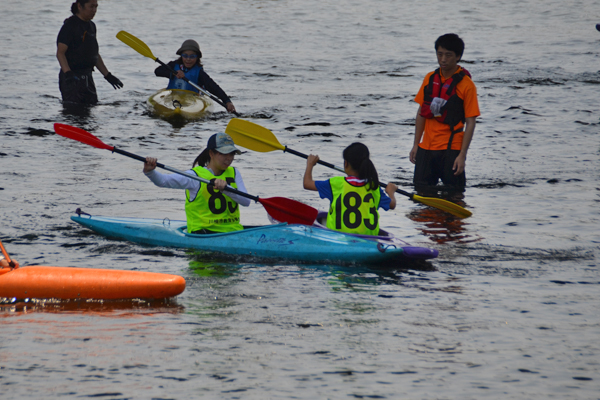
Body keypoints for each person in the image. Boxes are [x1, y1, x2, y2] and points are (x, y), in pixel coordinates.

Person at [409, 33, 480, 191]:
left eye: (448, 55)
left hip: (451, 150)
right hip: (426, 149)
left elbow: (470, 122)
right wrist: (416, 145)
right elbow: (421, 112)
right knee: (421, 198)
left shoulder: (466, 85)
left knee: (455, 196)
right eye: (439, 54)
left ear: (458, 57)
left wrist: (462, 155)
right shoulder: (429, 78)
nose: (443, 59)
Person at [143, 133, 250, 234]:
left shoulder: (234, 172)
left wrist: (226, 189)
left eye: (231, 153)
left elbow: (246, 201)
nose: (229, 158)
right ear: (211, 153)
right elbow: (164, 181)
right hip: (203, 233)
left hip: (234, 231)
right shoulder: (195, 176)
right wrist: (150, 172)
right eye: (223, 153)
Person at [303, 142, 397, 236]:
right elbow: (392, 204)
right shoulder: (374, 187)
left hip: (338, 239)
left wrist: (310, 164)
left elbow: (307, 183)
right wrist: (391, 192)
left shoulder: (336, 183)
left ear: (346, 163)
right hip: (369, 240)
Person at [56, 0, 123, 105]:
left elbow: (94, 54)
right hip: (72, 77)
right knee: (74, 112)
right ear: (79, 6)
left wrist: (108, 75)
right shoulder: (70, 26)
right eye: (91, 6)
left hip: (87, 77)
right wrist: (68, 74)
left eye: (96, 7)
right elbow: (60, 53)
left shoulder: (91, 26)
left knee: (90, 110)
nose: (94, 10)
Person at [154, 39, 237, 114]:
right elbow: (157, 71)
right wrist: (172, 73)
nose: (188, 59)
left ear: (197, 57)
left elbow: (213, 87)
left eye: (192, 56)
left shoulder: (199, 73)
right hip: (173, 96)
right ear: (181, 56)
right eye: (185, 55)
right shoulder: (173, 65)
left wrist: (227, 101)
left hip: (192, 100)